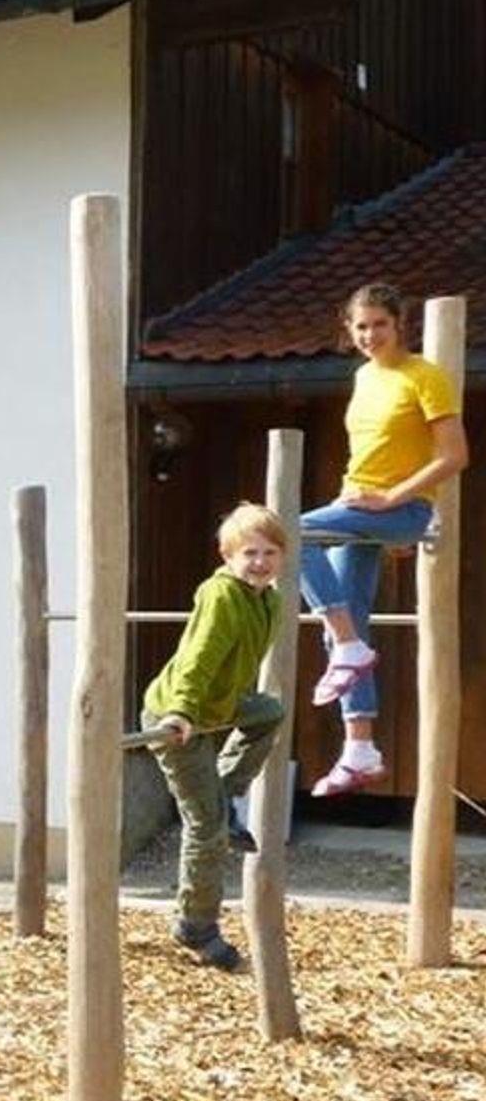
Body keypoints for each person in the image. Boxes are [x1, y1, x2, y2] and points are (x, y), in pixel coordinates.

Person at [299, 282, 468, 797]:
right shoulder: (363, 377)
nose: (370, 334)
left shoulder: (425, 376)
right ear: (350, 330)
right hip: (358, 505)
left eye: (380, 324)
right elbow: (369, 453)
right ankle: (361, 749)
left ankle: (350, 647)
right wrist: (357, 502)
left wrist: (391, 500)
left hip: (404, 508)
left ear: (399, 325)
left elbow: (454, 456)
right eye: (361, 326)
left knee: (288, 531)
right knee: (346, 619)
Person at [140, 502, 289, 971]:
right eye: (249, 553)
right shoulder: (221, 595)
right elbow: (197, 658)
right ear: (228, 557)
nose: (260, 562)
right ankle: (196, 925)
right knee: (206, 826)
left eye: (269, 553)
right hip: (178, 715)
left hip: (217, 707)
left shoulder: (269, 600)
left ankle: (226, 792)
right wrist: (181, 712)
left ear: (282, 557)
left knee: (269, 711)